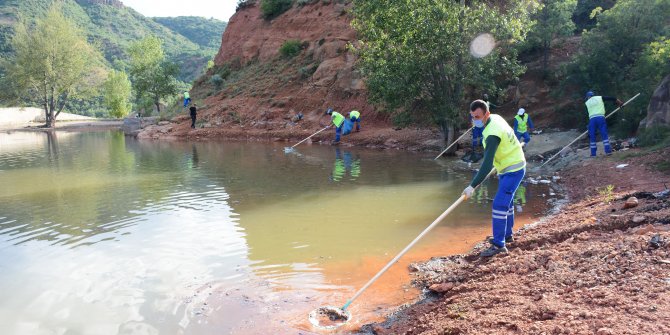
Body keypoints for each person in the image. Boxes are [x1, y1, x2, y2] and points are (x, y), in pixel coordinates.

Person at [462, 99, 526, 257]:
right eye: (472, 116)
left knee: (499, 205)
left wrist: (472, 186)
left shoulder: (491, 134)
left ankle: (499, 244)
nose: (475, 120)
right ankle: (506, 235)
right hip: (508, 166)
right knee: (508, 202)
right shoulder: (496, 118)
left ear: (487, 114)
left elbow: (486, 165)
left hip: (513, 169)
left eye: (477, 116)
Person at [584, 91, 623, 157]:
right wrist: (620, 103)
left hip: (592, 120)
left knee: (592, 136)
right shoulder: (599, 98)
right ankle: (608, 151)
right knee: (604, 134)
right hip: (600, 118)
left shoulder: (587, 102)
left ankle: (593, 154)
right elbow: (612, 98)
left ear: (588, 97)